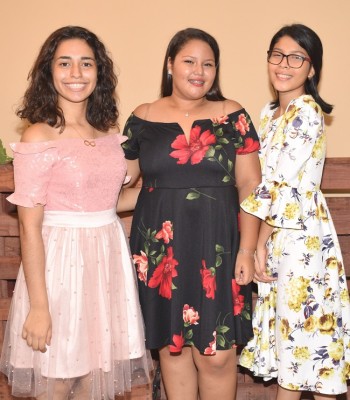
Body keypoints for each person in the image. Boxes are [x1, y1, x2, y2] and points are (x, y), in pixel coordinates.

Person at [0, 26, 152, 399]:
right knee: (56, 379)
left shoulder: (106, 133)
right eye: (64, 63)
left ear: (98, 72)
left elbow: (103, 203)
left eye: (86, 64)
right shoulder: (39, 136)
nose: (76, 73)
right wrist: (39, 306)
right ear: (48, 72)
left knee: (93, 379)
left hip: (106, 268)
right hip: (59, 270)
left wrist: (169, 190)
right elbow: (30, 227)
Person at [121, 27, 261, 400]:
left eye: (208, 64)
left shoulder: (232, 115)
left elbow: (250, 186)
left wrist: (248, 249)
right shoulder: (143, 117)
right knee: (171, 348)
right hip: (160, 250)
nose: (199, 71)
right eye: (189, 61)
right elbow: (121, 182)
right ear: (170, 65)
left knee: (217, 354)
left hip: (220, 247)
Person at [239, 24, 350, 399]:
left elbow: (280, 185)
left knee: (310, 341)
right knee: (296, 343)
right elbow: (255, 179)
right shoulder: (270, 113)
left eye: (296, 57)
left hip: (300, 240)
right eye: (277, 54)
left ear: (312, 67)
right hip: (278, 235)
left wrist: (257, 242)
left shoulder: (306, 111)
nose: (284, 64)